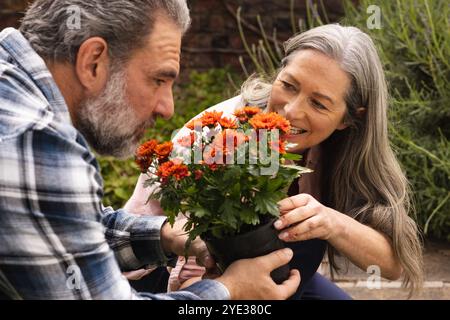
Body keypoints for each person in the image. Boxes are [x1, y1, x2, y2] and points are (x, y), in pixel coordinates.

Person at [0, 0, 301, 300]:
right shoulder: (36, 140)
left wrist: (165, 235)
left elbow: (61, 231)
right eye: (159, 79)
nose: (168, 109)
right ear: (93, 61)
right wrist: (230, 290)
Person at [129, 24, 424, 299]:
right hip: (174, 280)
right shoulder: (219, 136)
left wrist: (331, 222)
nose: (291, 110)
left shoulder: (347, 151)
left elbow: (395, 262)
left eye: (319, 103)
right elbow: (192, 268)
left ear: (350, 118)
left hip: (283, 279)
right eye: (289, 85)